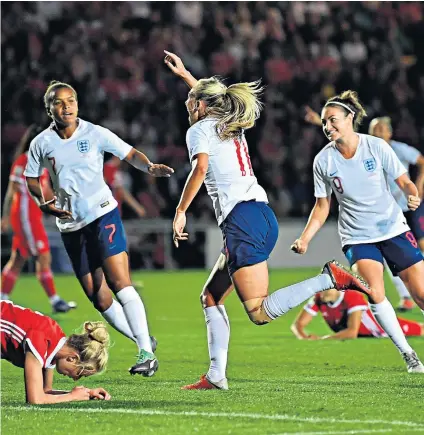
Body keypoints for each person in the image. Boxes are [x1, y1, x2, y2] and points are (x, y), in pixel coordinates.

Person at [164, 51, 372, 390]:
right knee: (211, 297)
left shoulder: (199, 130)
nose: (187, 106)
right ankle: (216, 376)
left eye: (190, 101)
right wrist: (187, 75)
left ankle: (327, 279)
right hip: (260, 214)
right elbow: (211, 101)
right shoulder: (227, 123)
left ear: (202, 106)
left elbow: (200, 168)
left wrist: (180, 211)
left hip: (242, 221)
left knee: (259, 313)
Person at [24, 81, 174, 376]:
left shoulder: (94, 133)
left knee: (119, 282)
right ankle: (142, 339)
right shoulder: (41, 142)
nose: (66, 106)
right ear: (49, 108)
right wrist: (43, 202)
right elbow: (32, 177)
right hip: (70, 225)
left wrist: (149, 167)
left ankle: (146, 353)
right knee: (99, 296)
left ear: (78, 104)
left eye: (71, 101)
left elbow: (129, 153)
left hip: (103, 214)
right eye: (59, 102)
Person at [292, 91, 424, 373]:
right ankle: (409, 355)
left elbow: (404, 181)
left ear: (350, 118)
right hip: (357, 237)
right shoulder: (323, 161)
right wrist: (305, 238)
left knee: (421, 294)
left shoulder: (376, 147)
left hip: (393, 228)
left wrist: (412, 194)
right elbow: (322, 206)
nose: (327, 127)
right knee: (376, 293)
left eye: (332, 120)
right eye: (324, 122)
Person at [1, 125, 75, 313]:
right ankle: (55, 300)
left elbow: (45, 190)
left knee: (18, 258)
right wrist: (6, 217)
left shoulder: (38, 161)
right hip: (26, 218)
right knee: (44, 256)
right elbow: (12, 191)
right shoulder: (24, 160)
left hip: (31, 216)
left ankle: (2, 298)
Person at [1, 300, 111, 404]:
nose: (75, 379)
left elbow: (45, 392)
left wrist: (86, 394)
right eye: (79, 374)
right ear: (72, 358)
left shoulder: (55, 347)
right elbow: (35, 399)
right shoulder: (41, 340)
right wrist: (72, 396)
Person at [369, 117, 424, 311]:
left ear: (389, 133)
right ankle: (405, 297)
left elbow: (421, 162)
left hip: (409, 207)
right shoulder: (367, 151)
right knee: (390, 252)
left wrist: (417, 189)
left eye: (382, 129)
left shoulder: (399, 149)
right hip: (387, 211)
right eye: (374, 129)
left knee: (421, 245)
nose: (378, 132)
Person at [291, 289, 424, 340]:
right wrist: (304, 337)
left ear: (338, 286)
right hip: (363, 334)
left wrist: (323, 339)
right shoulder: (319, 297)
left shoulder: (352, 296)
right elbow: (298, 324)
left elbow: (351, 332)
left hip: (380, 328)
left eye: (327, 288)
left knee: (419, 329)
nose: (323, 292)